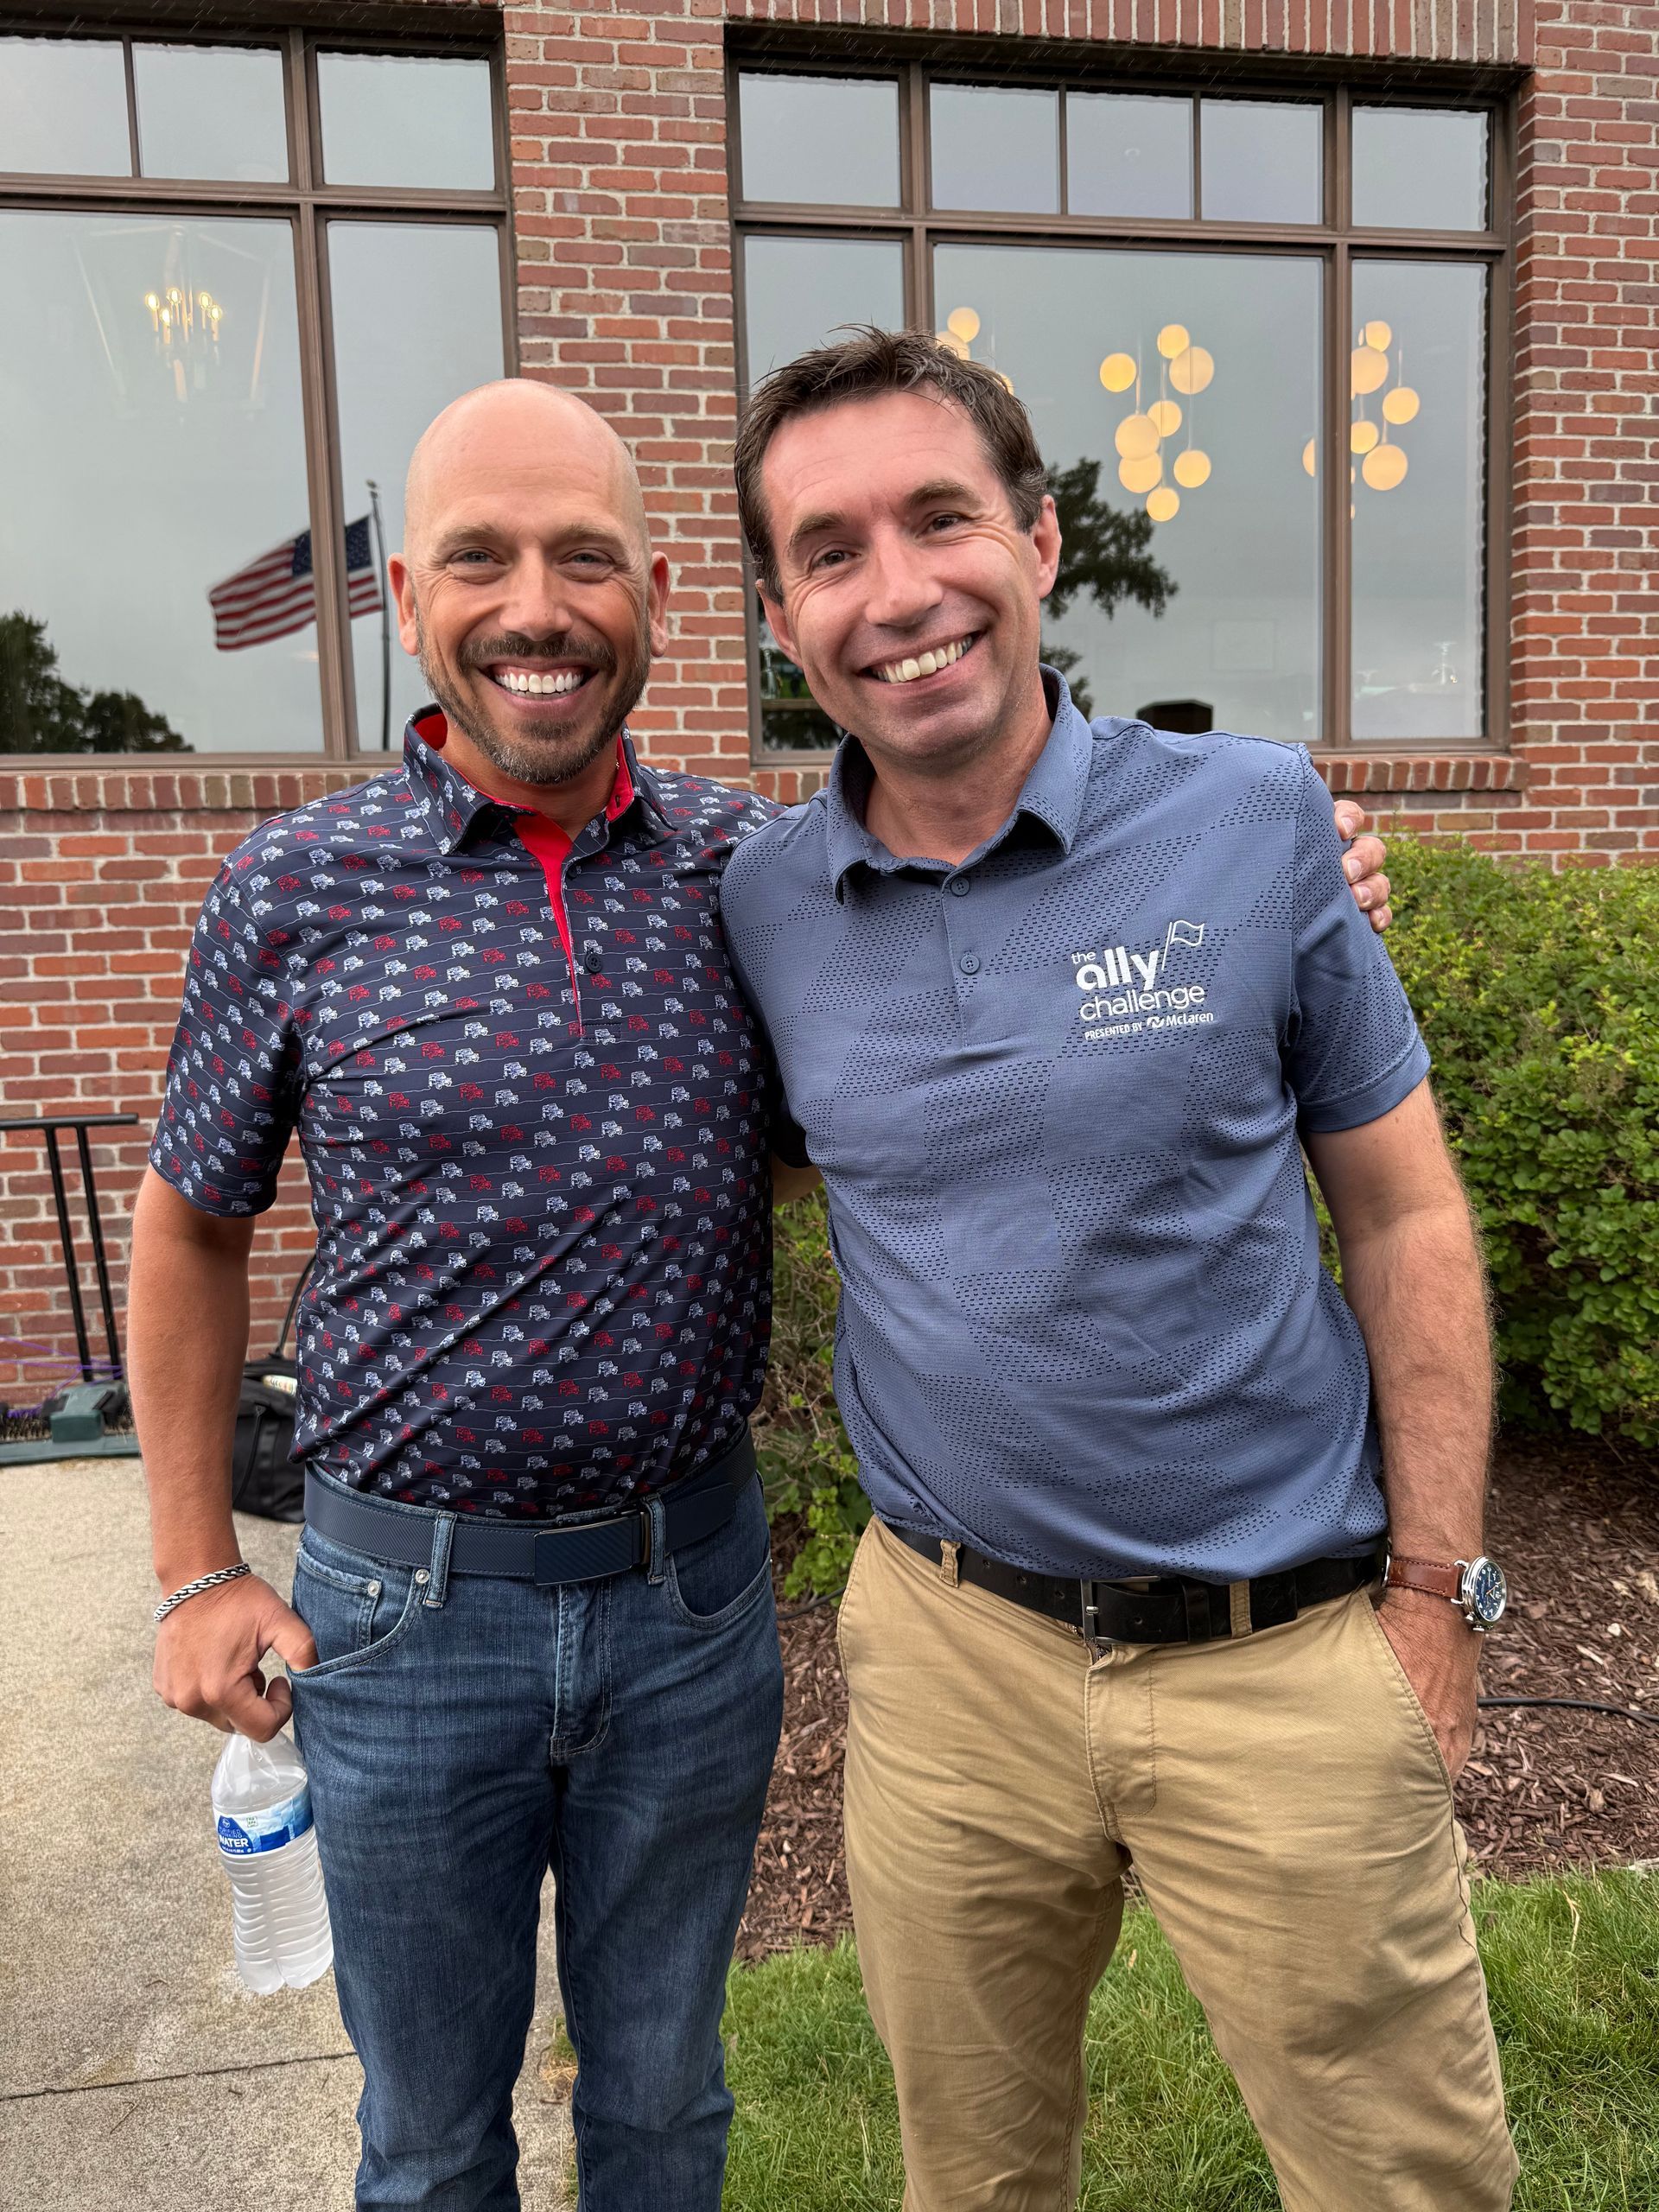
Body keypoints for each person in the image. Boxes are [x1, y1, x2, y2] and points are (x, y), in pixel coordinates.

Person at [130, 376, 1391, 2212]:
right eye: (479, 558)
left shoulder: (758, 876)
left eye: (583, 559)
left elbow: (961, 1027)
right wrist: (192, 1565)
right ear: (410, 593)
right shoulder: (297, 887)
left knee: (664, 2100)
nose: (535, 607)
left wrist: (1295, 885)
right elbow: (188, 1222)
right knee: (422, 2136)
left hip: (688, 1604)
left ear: (656, 590)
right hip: (401, 1617)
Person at [719, 328, 1516, 2212]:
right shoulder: (757, 901)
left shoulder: (1251, 822)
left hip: (1291, 1651)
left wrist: (1438, 1590)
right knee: (974, 2180)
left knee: (1408, 2181)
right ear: (776, 614)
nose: (898, 591)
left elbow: (1406, 1211)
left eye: (941, 518)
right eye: (829, 551)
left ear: (1043, 538)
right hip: (952, 1659)